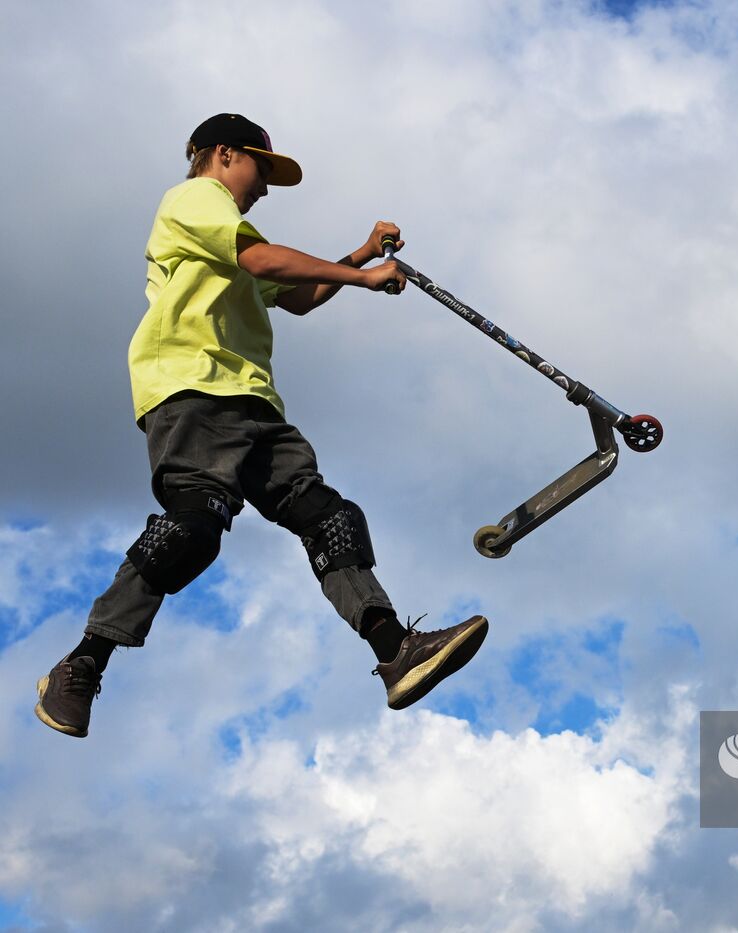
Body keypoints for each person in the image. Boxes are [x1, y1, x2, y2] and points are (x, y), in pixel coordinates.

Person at [34, 113, 488, 738]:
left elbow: (297, 296)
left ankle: (395, 651)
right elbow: (267, 262)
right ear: (222, 154)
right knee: (193, 528)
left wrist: (359, 253)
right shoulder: (194, 199)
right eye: (261, 169)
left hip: (254, 403)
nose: (266, 187)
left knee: (330, 517)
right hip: (191, 389)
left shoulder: (233, 238)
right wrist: (362, 274)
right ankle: (82, 662)